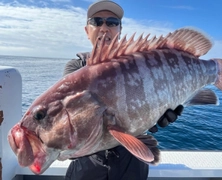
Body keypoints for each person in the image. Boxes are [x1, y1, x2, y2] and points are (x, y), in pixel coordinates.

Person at [63, 1, 183, 179]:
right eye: (96, 21)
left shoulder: (140, 66)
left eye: (112, 22)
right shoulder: (76, 68)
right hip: (86, 167)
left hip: (132, 161)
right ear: (87, 31)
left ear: (119, 30)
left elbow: (155, 95)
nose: (104, 28)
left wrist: (159, 112)